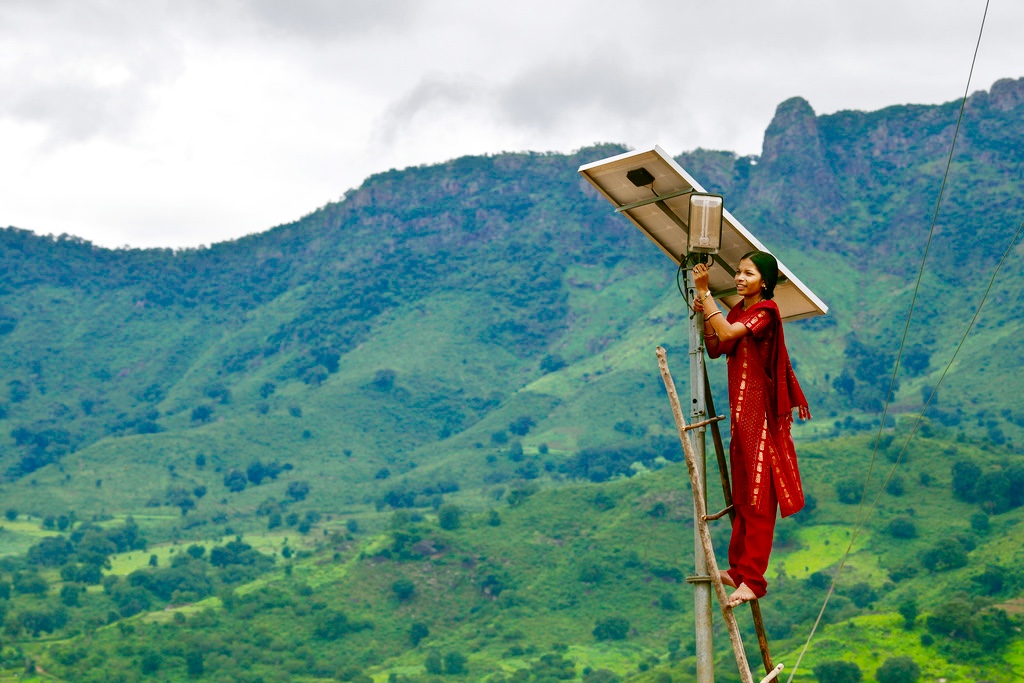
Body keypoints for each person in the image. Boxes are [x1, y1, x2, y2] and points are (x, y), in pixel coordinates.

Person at [692, 250, 811, 608]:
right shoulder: (738, 311)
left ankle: (754, 582)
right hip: (742, 416)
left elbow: (727, 331)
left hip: (761, 418)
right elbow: (717, 346)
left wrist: (705, 293)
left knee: (760, 500)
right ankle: (740, 570)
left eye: (748, 273)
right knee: (743, 496)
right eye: (739, 273)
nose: (740, 278)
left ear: (765, 282)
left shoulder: (766, 313)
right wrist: (704, 317)